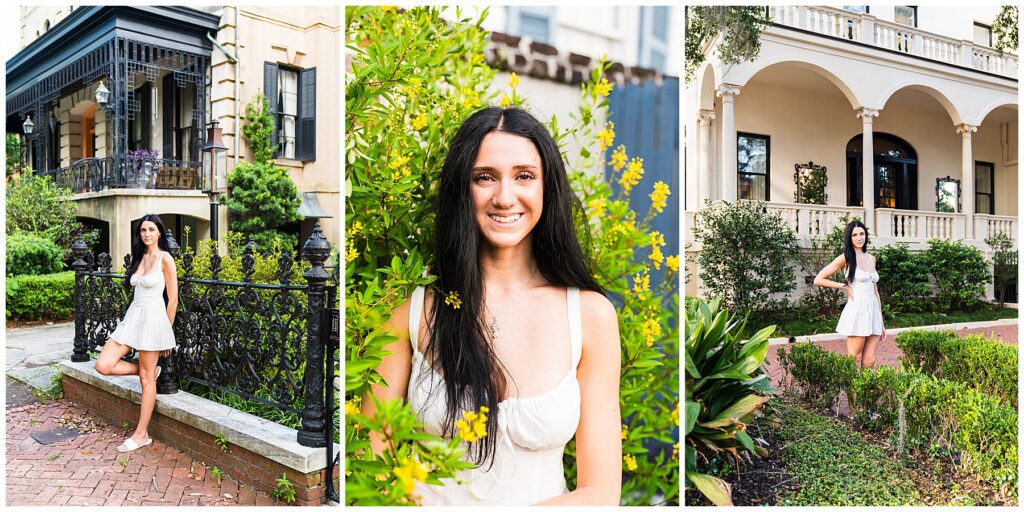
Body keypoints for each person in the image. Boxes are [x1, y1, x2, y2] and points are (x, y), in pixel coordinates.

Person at [362, 107, 622, 505]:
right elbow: (372, 461)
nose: (504, 197)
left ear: (546, 188)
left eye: (524, 176)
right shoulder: (411, 309)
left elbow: (601, 494)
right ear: (462, 189)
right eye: (485, 177)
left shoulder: (590, 316)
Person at [95, 214, 178, 452]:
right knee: (104, 364)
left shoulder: (165, 259)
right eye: (143, 230)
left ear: (159, 232)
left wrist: (166, 335)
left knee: (145, 379)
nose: (147, 234)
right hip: (133, 317)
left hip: (153, 320)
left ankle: (142, 434)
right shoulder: (139, 257)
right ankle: (150, 372)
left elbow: (172, 300)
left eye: (151, 229)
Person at [813, 220, 885, 368]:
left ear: (866, 235)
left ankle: (864, 391)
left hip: (873, 312)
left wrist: (881, 320)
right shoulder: (846, 257)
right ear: (849, 238)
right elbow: (818, 279)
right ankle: (852, 391)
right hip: (858, 310)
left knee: (869, 360)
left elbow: (875, 291)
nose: (859, 238)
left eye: (862, 233)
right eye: (854, 235)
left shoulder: (871, 258)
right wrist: (844, 286)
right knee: (854, 358)